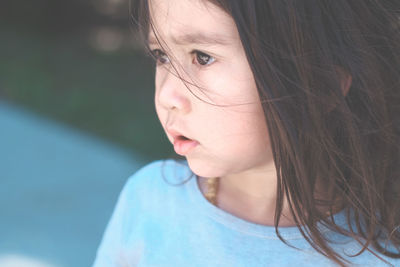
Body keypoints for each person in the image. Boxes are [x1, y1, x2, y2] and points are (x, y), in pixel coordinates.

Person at [92, 0, 400, 266]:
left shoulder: (379, 255)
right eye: (162, 56)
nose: (166, 96)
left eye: (202, 57)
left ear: (320, 88)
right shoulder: (148, 200)